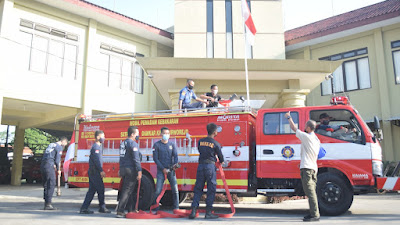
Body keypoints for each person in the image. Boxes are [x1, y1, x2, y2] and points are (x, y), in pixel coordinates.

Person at [285, 112, 320, 222]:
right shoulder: (316, 139)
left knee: (310, 192)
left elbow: (294, 128)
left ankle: (315, 215)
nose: (304, 127)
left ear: (309, 128)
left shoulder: (307, 137)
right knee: (311, 192)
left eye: (305, 126)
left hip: (307, 168)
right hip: (313, 168)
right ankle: (312, 213)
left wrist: (289, 117)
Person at [189, 123, 224, 220]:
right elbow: (221, 157)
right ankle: (208, 212)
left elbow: (200, 151)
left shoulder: (200, 141)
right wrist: (221, 161)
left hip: (200, 166)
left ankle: (193, 211)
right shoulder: (216, 143)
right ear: (214, 132)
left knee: (198, 189)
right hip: (210, 167)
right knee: (211, 189)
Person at [79, 130, 111, 214]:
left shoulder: (97, 147)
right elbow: (96, 161)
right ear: (97, 137)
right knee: (100, 189)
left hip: (94, 171)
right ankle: (102, 207)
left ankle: (84, 208)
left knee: (92, 191)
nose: (104, 138)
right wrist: (101, 170)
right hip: (95, 172)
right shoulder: (96, 147)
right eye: (102, 136)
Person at [116, 126, 142, 218]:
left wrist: (120, 168)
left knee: (130, 190)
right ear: (132, 134)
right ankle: (120, 211)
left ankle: (131, 209)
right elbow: (136, 158)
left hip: (124, 168)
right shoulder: (133, 144)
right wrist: (139, 170)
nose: (138, 135)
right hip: (131, 169)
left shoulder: (123, 143)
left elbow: (121, 157)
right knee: (127, 191)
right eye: (137, 134)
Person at [152, 127, 179, 212]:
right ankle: (155, 207)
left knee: (175, 190)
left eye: (168, 133)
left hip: (171, 170)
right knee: (158, 190)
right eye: (165, 133)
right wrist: (163, 169)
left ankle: (176, 207)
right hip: (161, 170)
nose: (166, 135)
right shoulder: (156, 145)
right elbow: (156, 159)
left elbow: (175, 156)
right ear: (161, 134)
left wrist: (175, 165)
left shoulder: (172, 145)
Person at [41, 136, 68, 210]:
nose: (64, 146)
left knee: (46, 184)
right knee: (51, 184)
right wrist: (59, 169)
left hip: (43, 165)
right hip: (49, 166)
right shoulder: (58, 147)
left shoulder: (51, 145)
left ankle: (46, 201)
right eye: (65, 144)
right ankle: (48, 204)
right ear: (63, 142)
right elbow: (57, 160)